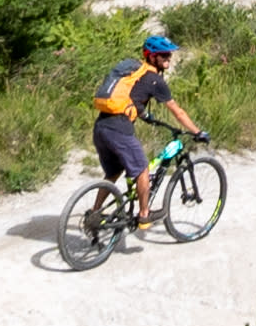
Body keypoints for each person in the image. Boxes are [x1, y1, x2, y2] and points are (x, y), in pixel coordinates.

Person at [89, 29, 207, 226]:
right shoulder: (156, 80)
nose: (169, 58)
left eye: (169, 54)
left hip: (101, 127)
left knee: (113, 172)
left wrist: (145, 116)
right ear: (152, 57)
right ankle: (144, 215)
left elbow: (132, 98)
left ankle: (94, 213)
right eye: (164, 55)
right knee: (142, 170)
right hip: (119, 129)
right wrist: (197, 132)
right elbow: (178, 112)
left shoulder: (136, 73)